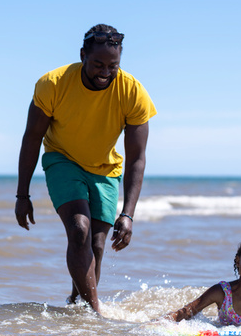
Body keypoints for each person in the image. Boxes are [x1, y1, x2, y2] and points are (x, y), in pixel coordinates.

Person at [15, 24, 157, 313]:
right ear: (82, 55)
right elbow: (32, 138)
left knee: (97, 246)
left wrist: (128, 213)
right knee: (79, 229)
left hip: (105, 169)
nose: (104, 72)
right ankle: (95, 314)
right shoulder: (52, 84)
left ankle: (77, 305)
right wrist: (22, 195)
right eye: (97, 64)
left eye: (112, 66)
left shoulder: (133, 92)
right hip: (62, 159)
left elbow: (137, 158)